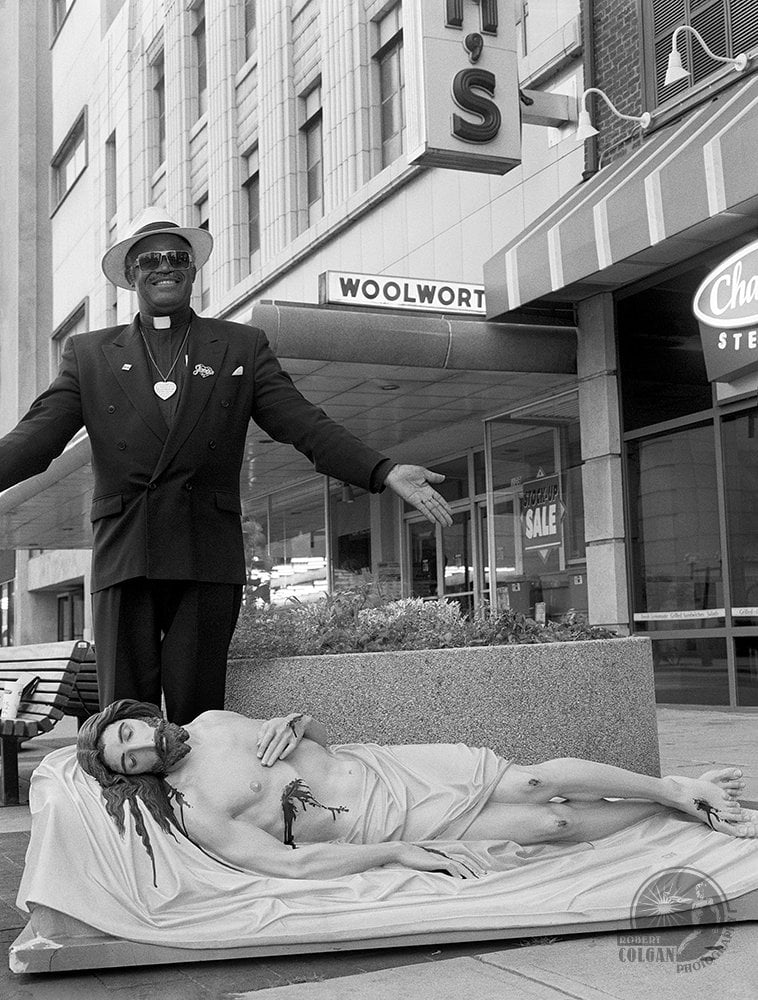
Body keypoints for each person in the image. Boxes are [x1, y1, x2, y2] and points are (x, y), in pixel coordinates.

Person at [0, 208, 453, 723]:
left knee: (202, 720)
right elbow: (36, 439)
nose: (164, 267)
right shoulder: (89, 354)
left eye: (177, 257)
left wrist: (382, 468)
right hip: (126, 552)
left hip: (205, 554)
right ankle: (132, 806)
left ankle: (199, 806)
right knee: (125, 723)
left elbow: (301, 422)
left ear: (193, 269)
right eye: (150, 259)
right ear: (131, 274)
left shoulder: (241, 344)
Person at [76, 700, 757, 887]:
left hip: (390, 768)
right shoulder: (196, 810)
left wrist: (300, 723)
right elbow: (287, 863)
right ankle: (670, 805)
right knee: (548, 826)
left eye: (130, 731)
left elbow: (306, 738)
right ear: (131, 773)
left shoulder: (213, 722)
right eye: (129, 756)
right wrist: (397, 855)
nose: (141, 746)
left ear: (139, 713)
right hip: (377, 822)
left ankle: (677, 788)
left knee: (533, 779)